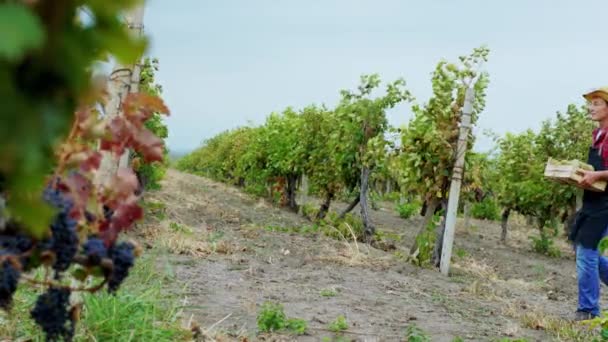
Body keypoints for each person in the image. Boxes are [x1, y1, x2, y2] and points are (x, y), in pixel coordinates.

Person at [569, 87, 608, 321]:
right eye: (590, 104)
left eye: (596, 103)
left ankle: (588, 311)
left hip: (606, 203)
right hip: (593, 200)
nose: (590, 108)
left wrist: (597, 176)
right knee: (580, 247)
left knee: (586, 252)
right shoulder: (598, 135)